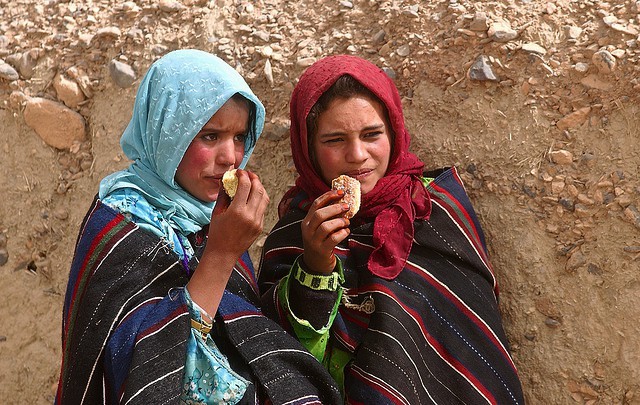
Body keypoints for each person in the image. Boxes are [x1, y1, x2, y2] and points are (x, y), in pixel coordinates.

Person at [55, 49, 341, 404]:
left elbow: (244, 328)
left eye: (239, 137)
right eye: (210, 136)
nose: (230, 157)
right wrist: (221, 253)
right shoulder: (119, 226)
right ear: (166, 133)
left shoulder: (209, 216)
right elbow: (137, 371)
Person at [258, 55, 525, 404]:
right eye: (334, 140)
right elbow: (281, 355)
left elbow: (471, 324)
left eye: (372, 134)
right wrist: (314, 266)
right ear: (308, 147)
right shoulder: (299, 228)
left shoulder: (436, 208)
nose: (357, 155)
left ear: (394, 131)